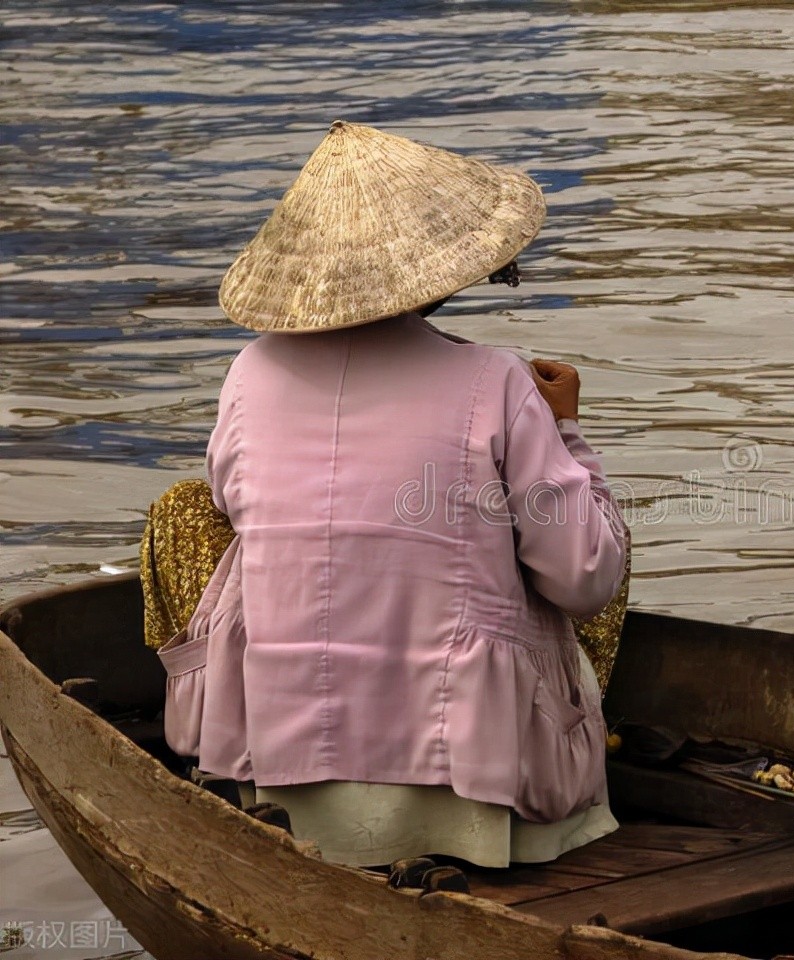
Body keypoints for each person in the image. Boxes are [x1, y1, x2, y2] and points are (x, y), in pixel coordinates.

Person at [142, 120, 631, 874]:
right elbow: (583, 576)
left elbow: (238, 504)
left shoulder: (250, 372)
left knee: (187, 511)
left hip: (279, 754)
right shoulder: (496, 381)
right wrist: (565, 432)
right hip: (471, 775)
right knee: (586, 529)